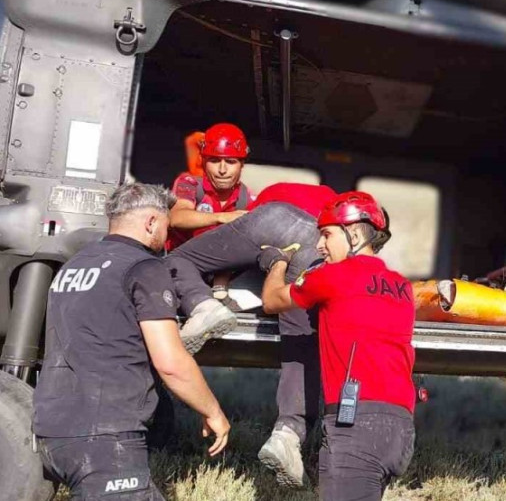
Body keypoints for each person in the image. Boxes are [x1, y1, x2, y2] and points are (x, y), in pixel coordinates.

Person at [33, 183, 231, 500]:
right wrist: (213, 411)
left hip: (52, 431)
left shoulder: (74, 265)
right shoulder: (144, 267)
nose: (166, 236)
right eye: (166, 224)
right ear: (151, 222)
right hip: (105, 436)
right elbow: (171, 363)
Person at [164, 182, 336, 487]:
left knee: (175, 261)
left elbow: (233, 252)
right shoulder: (332, 205)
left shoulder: (266, 193)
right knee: (299, 341)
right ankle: (288, 434)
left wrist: (218, 290)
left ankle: (203, 306)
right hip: (316, 245)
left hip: (274, 220)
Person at [261, 191, 415, 501]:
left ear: (355, 233)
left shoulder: (334, 276)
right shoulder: (403, 286)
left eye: (327, 234)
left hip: (356, 424)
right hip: (401, 428)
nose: (319, 245)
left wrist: (276, 262)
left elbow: (272, 300)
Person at [170, 122, 255, 352]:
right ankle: (207, 304)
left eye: (231, 161)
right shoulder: (189, 184)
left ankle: (220, 290)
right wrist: (221, 218)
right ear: (204, 162)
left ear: (242, 164)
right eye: (215, 161)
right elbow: (177, 217)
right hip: (181, 266)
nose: (222, 169)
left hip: (221, 271)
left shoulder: (247, 198)